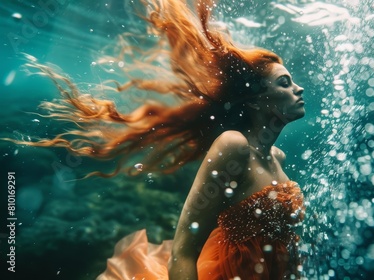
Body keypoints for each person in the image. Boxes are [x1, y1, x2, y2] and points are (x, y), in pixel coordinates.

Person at [5, 0, 305, 278]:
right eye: (285, 83)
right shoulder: (234, 146)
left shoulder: (278, 157)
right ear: (254, 101)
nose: (299, 89)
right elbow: (182, 252)